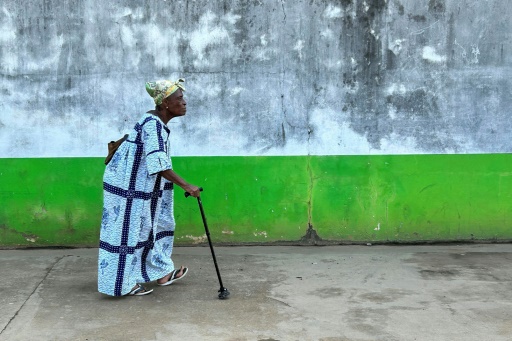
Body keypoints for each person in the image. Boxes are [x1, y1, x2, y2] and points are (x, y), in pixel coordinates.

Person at [98, 78, 201, 296]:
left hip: (145, 188)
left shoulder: (157, 123)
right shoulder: (152, 125)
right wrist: (187, 185)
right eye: (179, 99)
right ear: (165, 103)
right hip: (126, 189)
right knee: (126, 234)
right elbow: (158, 164)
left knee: (154, 227)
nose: (184, 103)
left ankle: (161, 272)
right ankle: (122, 285)